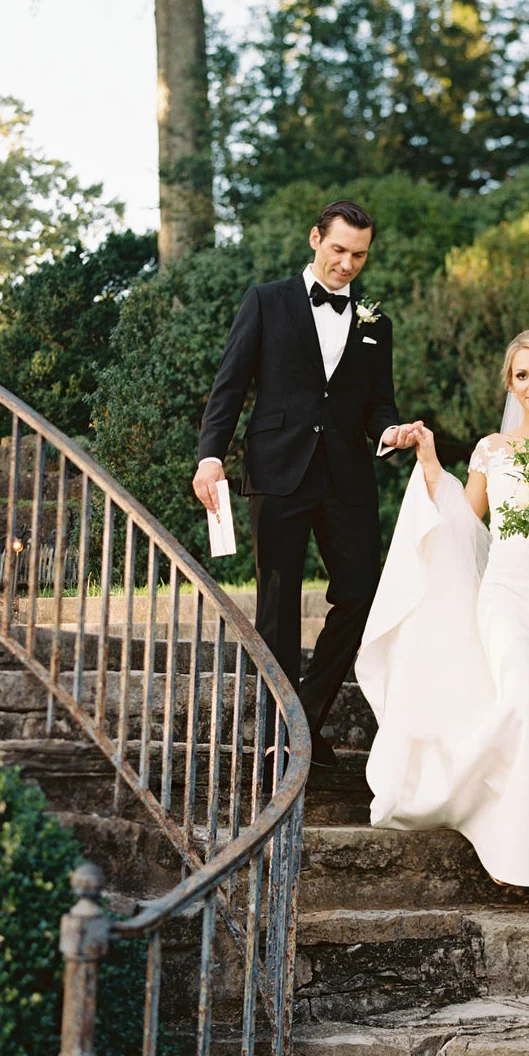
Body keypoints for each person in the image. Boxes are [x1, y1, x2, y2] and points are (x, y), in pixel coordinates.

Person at [357, 329, 529, 916]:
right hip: (506, 595)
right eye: (522, 375)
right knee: (522, 699)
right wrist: (429, 466)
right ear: (509, 383)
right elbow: (462, 526)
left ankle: (525, 842)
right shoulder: (492, 450)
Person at [193, 199, 420, 770]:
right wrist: (210, 457)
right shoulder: (267, 302)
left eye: (360, 256)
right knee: (278, 603)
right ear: (315, 238)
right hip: (278, 470)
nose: (348, 264)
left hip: (347, 477)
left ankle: (304, 718)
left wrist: (392, 430)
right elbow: (230, 386)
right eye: (339, 249)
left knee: (362, 595)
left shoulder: (376, 324)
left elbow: (378, 403)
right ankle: (281, 738)